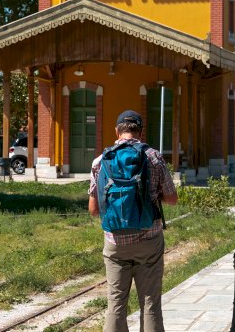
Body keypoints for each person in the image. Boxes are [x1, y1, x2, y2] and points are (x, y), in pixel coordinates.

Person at [88, 110, 178, 332]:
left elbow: (93, 210)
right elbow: (172, 199)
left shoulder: (100, 161)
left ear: (116, 131)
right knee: (150, 304)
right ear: (141, 132)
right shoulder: (153, 157)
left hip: (115, 244)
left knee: (116, 305)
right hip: (149, 240)